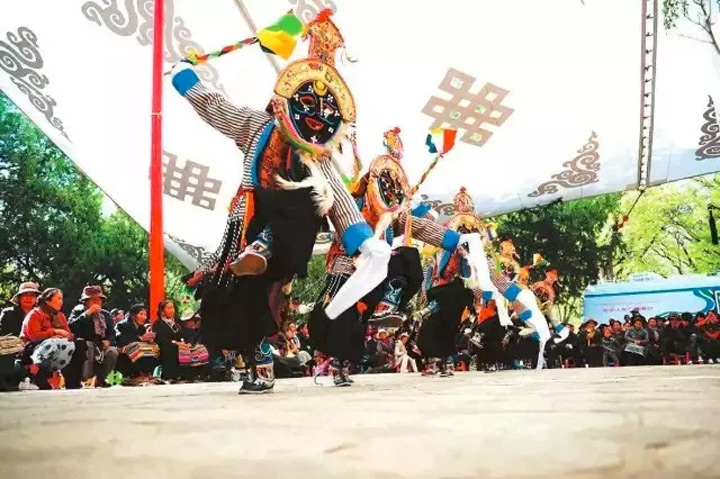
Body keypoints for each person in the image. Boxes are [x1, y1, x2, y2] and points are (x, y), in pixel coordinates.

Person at [174, 10, 394, 395]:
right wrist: (184, 78)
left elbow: (341, 202)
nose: (316, 116)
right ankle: (259, 364)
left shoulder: (318, 157)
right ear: (284, 103)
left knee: (308, 195)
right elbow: (215, 107)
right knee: (241, 300)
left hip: (291, 232)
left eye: (326, 111)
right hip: (250, 223)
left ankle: (268, 247)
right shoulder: (255, 126)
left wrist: (364, 241)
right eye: (306, 102)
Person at [21, 288, 86, 389]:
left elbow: (68, 334)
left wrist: (61, 336)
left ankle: (73, 381)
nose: (61, 302)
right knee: (52, 344)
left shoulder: (60, 316)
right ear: (48, 300)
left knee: (79, 343)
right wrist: (54, 332)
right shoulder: (35, 314)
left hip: (59, 345)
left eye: (62, 299)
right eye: (58, 298)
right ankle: (39, 377)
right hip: (33, 349)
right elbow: (34, 336)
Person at [68, 286, 118, 388]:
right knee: (88, 346)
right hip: (84, 344)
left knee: (112, 352)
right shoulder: (78, 312)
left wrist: (108, 341)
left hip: (101, 345)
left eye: (99, 300)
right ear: (86, 302)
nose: (97, 302)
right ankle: (85, 378)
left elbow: (112, 333)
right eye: (94, 300)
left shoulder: (105, 314)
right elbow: (72, 327)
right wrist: (88, 313)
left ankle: (100, 379)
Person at [0, 282, 40, 391]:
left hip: (35, 351)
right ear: (19, 297)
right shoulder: (8, 313)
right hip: (11, 351)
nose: (28, 298)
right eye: (25, 295)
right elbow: (3, 335)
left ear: (36, 298)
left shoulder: (40, 315)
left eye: (32, 295)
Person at [153, 300, 206, 382]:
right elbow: (160, 339)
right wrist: (176, 343)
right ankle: (173, 375)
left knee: (201, 348)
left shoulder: (178, 322)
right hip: (168, 346)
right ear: (162, 311)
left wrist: (189, 343)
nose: (172, 310)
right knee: (172, 349)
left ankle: (193, 375)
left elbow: (188, 334)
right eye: (169, 308)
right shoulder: (158, 324)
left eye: (173, 308)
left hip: (183, 345)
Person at [115, 305, 161, 384]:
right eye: (141, 314)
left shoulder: (141, 327)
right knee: (138, 346)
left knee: (155, 347)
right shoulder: (122, 325)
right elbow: (120, 340)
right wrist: (140, 339)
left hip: (137, 346)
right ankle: (135, 375)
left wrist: (149, 339)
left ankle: (147, 373)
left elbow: (142, 339)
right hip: (122, 350)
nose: (144, 317)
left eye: (145, 315)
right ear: (133, 315)